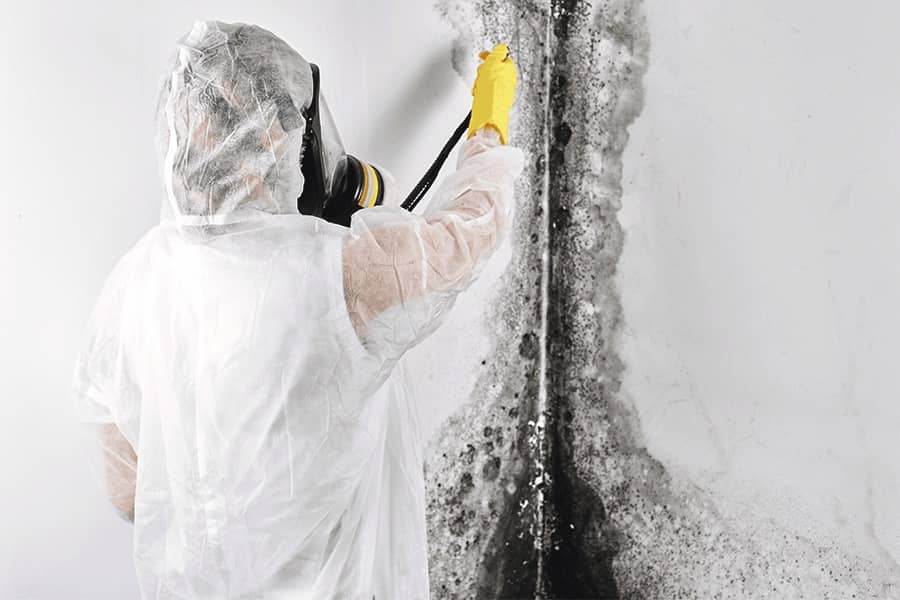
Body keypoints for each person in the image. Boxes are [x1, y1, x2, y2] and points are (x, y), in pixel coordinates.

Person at [73, 20, 522, 599]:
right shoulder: (338, 274)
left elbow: (126, 492)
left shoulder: (134, 281)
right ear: (274, 143)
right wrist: (489, 123)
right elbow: (467, 236)